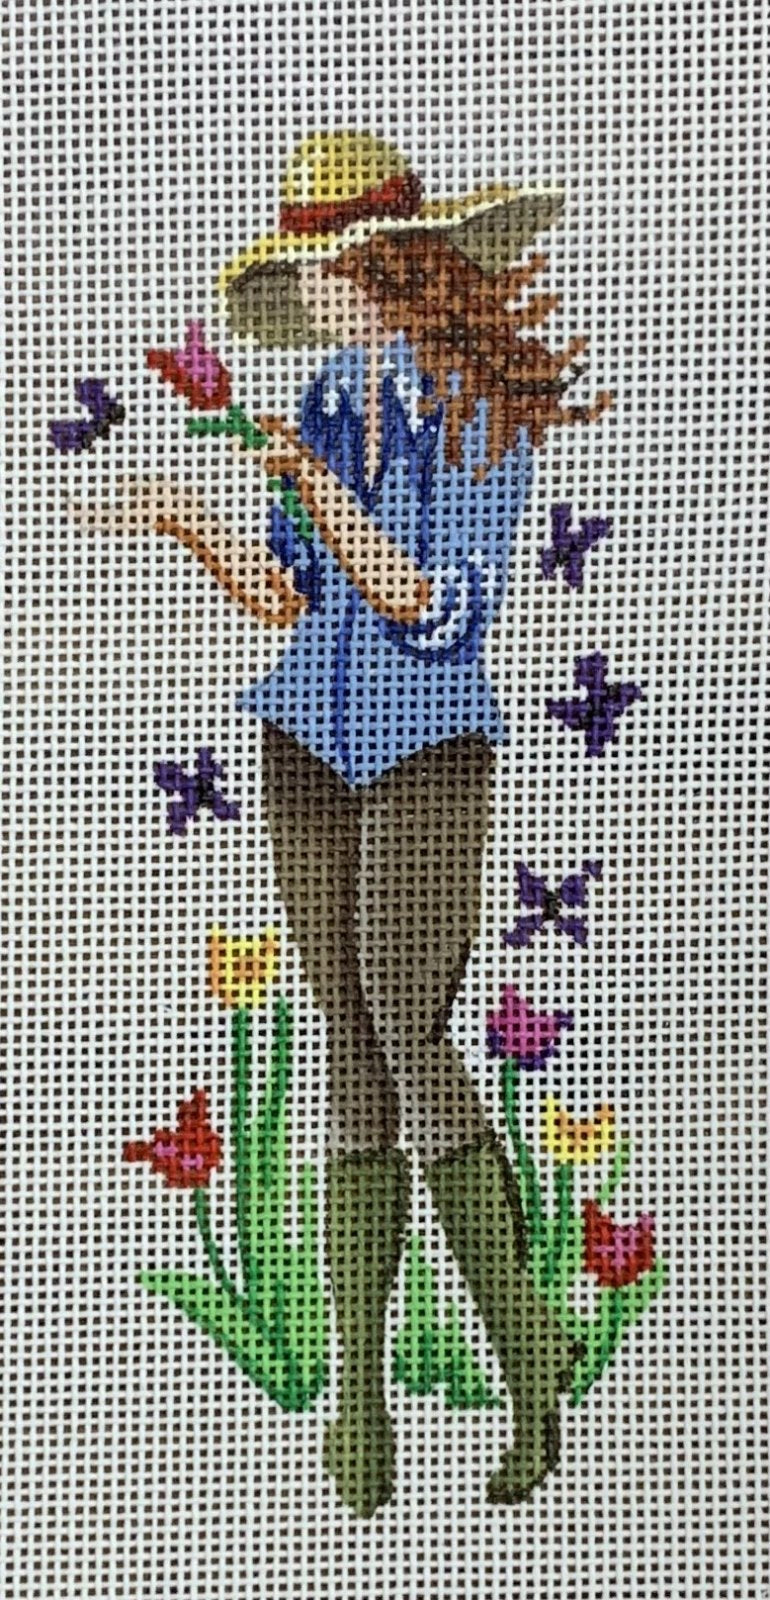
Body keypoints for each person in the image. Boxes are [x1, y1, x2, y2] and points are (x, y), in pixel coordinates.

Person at [85, 131, 610, 1515]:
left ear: (394, 270)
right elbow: (291, 598)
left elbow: (435, 608)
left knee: (408, 1023)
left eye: (328, 270)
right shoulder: (325, 398)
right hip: (305, 738)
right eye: (302, 276)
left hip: (427, 740)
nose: (311, 295)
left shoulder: (476, 410)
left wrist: (313, 491)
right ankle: (360, 1395)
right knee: (345, 1042)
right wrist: (187, 526)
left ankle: (529, 1360)